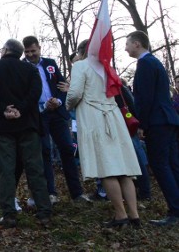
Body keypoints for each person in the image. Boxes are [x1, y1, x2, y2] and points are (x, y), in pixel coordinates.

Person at [66, 40, 141, 228]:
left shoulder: (81, 65)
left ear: (82, 52)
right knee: (125, 170)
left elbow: (74, 93)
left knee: (107, 168)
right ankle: (134, 215)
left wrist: (67, 105)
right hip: (115, 118)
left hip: (95, 118)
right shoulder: (107, 67)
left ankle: (120, 215)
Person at [0, 39, 52, 228]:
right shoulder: (31, 70)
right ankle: (44, 212)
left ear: (4, 50)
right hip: (27, 124)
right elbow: (35, 93)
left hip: (2, 127)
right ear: (20, 53)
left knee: (7, 170)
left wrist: (4, 109)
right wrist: (20, 108)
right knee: (35, 168)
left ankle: (9, 214)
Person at [22, 35, 87, 203]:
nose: (30, 55)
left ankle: (77, 193)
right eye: (27, 52)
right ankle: (50, 193)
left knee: (67, 149)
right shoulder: (22, 67)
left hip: (57, 113)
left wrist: (58, 100)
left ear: (39, 48)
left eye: (33, 51)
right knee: (45, 152)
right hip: (38, 115)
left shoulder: (50, 63)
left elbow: (62, 85)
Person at [127, 30, 179, 226]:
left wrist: (142, 124)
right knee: (173, 164)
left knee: (160, 165)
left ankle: (175, 211)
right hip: (169, 120)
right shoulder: (155, 62)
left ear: (137, 44)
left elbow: (145, 98)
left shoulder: (145, 64)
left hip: (157, 122)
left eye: (128, 44)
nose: (126, 48)